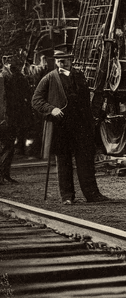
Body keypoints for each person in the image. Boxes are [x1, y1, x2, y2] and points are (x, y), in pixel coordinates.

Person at [31, 48, 109, 205]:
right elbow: (36, 100)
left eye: (65, 59)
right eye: (59, 60)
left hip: (81, 126)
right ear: (55, 61)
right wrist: (51, 109)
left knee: (85, 161)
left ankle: (92, 195)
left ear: (71, 60)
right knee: (64, 162)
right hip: (61, 127)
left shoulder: (79, 76)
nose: (62, 62)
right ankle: (67, 196)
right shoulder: (49, 78)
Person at [0, 55, 30, 182]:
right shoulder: (4, 77)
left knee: (8, 145)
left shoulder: (14, 75)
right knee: (6, 145)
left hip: (11, 116)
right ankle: (3, 175)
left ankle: (4, 174)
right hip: (5, 117)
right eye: (9, 60)